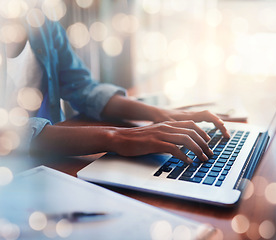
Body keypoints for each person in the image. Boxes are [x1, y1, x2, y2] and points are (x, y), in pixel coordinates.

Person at [1, 14, 229, 164]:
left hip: (53, 163)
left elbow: (83, 88)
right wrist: (117, 137)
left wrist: (159, 114)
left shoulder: (44, 24)